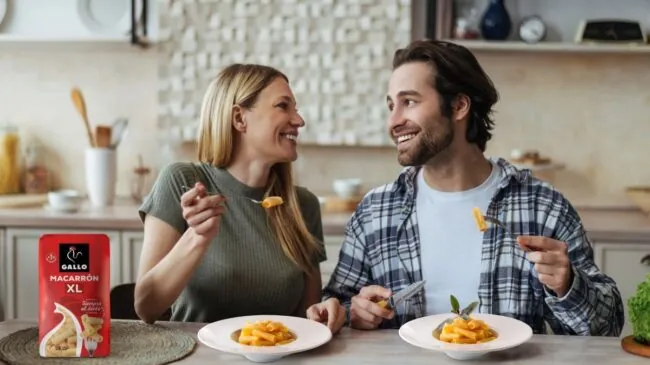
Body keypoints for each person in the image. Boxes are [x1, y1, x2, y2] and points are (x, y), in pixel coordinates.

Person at [307, 39, 624, 336]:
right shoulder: (376, 211)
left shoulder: (542, 207)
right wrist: (355, 312)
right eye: (391, 105)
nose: (393, 121)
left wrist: (568, 284)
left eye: (409, 101)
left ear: (459, 106)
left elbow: (606, 328)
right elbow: (338, 305)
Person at [134, 63, 326, 324]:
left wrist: (329, 312)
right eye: (283, 106)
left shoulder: (303, 205)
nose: (299, 120)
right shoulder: (182, 181)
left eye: (296, 108)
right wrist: (197, 238)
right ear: (239, 118)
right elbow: (145, 307)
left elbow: (308, 321)